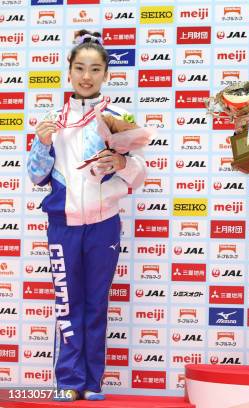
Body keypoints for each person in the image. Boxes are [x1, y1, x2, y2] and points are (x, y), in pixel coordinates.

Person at [26, 30, 146, 401]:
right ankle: (69, 381)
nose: (87, 76)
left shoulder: (118, 118)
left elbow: (139, 173)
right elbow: (34, 175)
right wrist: (43, 144)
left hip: (103, 225)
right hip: (62, 226)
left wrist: (123, 161)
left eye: (95, 69)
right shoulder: (52, 120)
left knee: (96, 304)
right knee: (68, 306)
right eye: (80, 68)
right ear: (69, 71)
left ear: (107, 73)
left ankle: (92, 382)